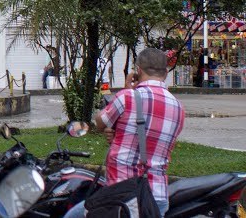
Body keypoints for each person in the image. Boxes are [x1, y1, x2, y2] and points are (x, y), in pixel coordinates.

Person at [63, 48, 185, 218]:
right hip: (157, 196)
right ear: (165, 72)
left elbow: (99, 123)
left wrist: (127, 89)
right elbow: (150, 142)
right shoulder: (178, 108)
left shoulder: (126, 97)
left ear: (139, 71)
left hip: (123, 195)